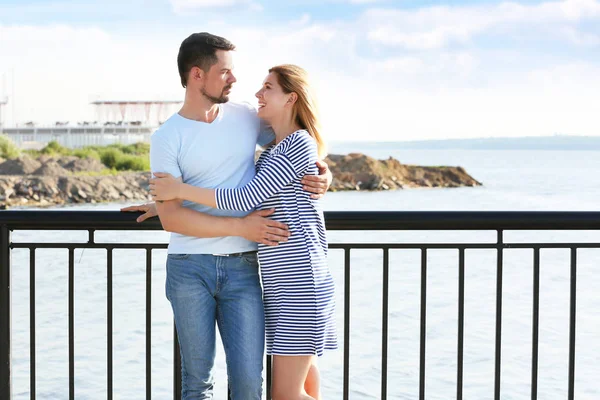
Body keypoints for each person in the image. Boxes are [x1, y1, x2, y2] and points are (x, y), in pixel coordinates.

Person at [122, 33, 332, 400]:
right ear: (197, 75)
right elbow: (173, 221)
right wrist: (167, 205)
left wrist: (323, 171)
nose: (237, 81)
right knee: (198, 383)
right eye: (225, 71)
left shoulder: (248, 118)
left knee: (251, 385)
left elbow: (297, 135)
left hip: (248, 268)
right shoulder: (167, 137)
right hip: (190, 267)